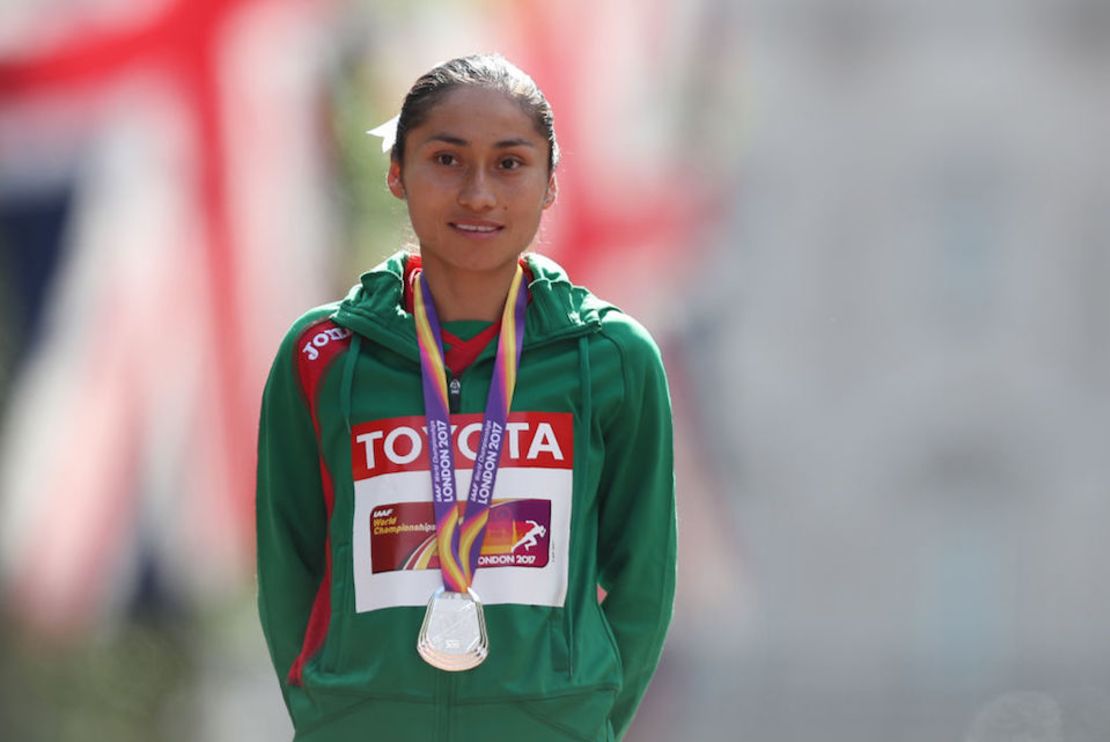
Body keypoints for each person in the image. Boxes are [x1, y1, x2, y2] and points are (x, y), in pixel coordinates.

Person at [256, 53, 676, 741]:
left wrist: (575, 714)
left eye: (510, 164)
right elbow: (288, 565)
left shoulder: (612, 358)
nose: (479, 193)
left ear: (549, 184)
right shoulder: (321, 354)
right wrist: (333, 707)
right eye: (446, 160)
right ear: (397, 172)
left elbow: (645, 581)